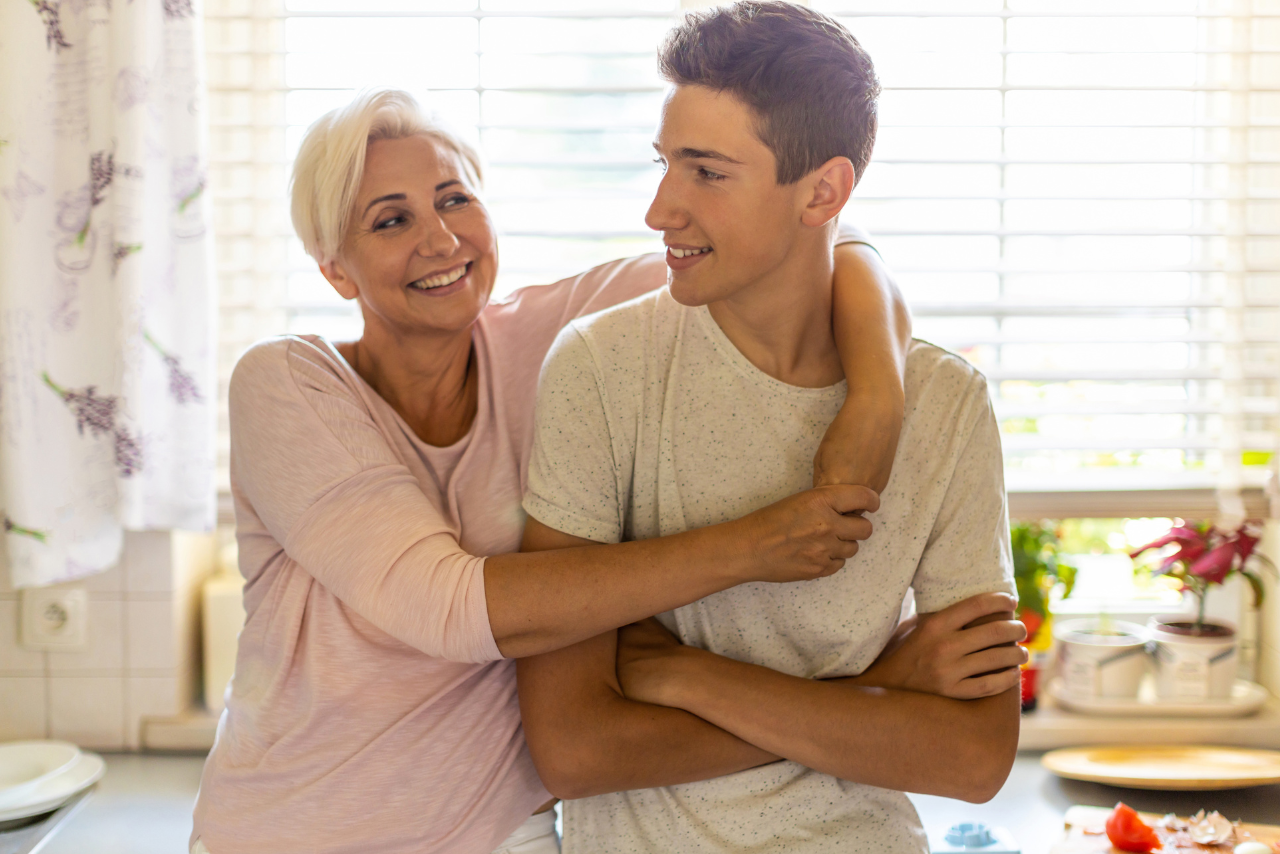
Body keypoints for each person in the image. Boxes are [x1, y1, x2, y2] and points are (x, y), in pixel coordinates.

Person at [189, 86, 918, 854]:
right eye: (392, 219)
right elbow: (449, 607)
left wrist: (877, 397)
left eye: (454, 200)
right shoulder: (288, 384)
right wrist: (760, 553)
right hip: (291, 831)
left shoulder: (552, 338)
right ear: (337, 270)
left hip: (506, 833)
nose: (440, 239)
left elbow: (807, 241)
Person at [516, 4, 1026, 853]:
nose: (660, 209)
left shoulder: (945, 402)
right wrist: (870, 693)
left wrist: (685, 674)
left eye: (707, 173)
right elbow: (574, 749)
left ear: (823, 192)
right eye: (666, 163)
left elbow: (974, 758)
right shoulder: (602, 368)